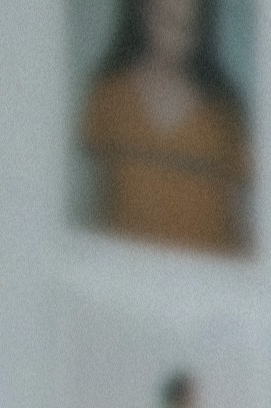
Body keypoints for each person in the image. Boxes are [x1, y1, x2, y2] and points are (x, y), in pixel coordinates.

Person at [77, 0, 250, 255]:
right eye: (164, 20)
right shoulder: (110, 95)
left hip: (206, 277)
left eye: (185, 26)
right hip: (128, 272)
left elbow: (238, 211)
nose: (172, 38)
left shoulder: (224, 110)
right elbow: (94, 197)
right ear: (142, 13)